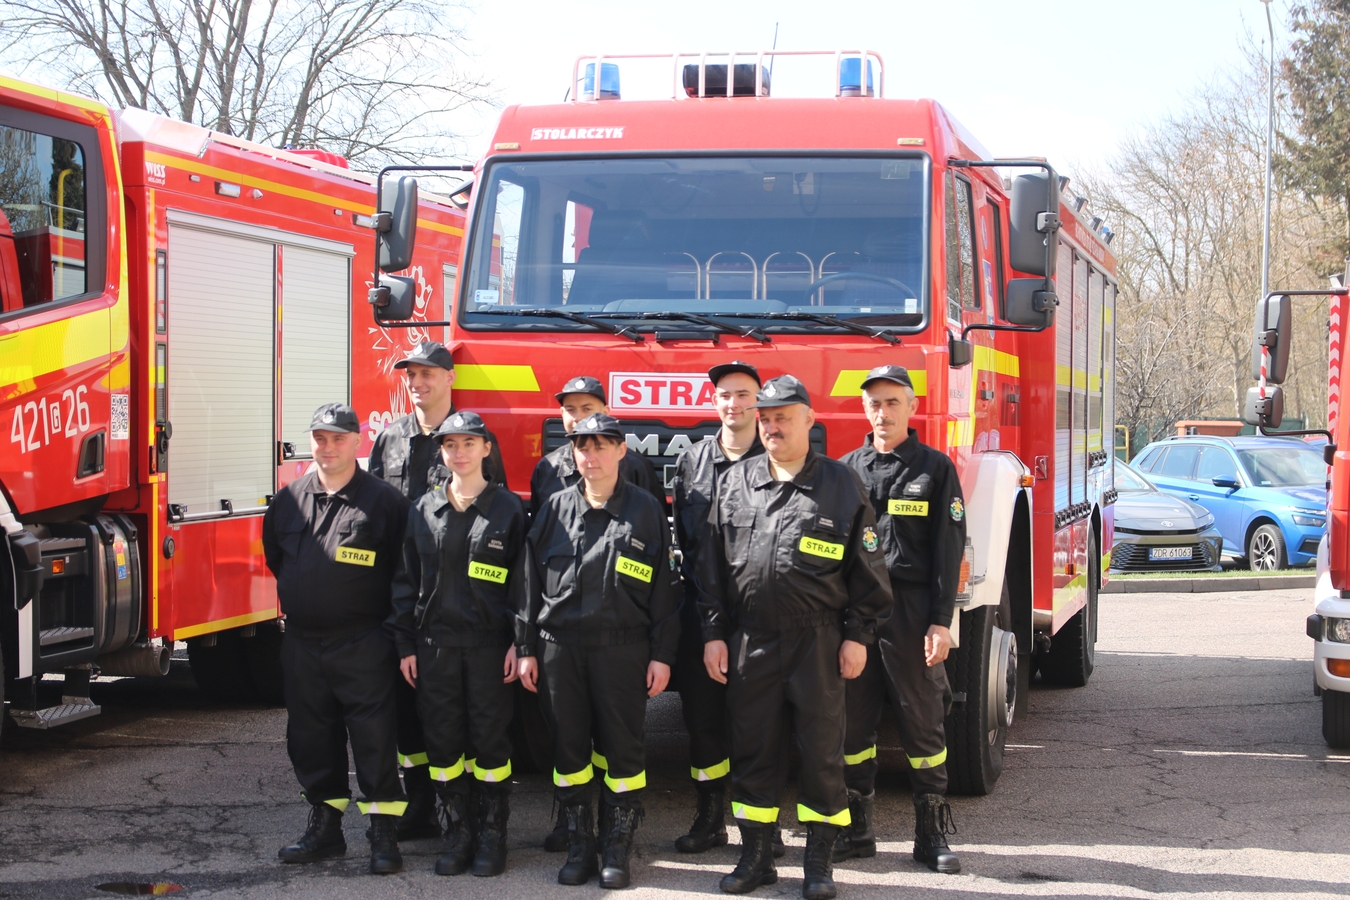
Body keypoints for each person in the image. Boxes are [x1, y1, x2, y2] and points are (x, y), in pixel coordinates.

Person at [695, 375, 893, 900]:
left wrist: (858, 636)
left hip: (818, 642)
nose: (772, 426)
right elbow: (710, 569)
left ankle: (819, 864)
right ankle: (756, 857)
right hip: (750, 640)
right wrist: (713, 633)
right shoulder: (735, 482)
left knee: (822, 753)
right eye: (765, 418)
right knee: (753, 750)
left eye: (783, 416)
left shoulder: (841, 484)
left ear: (809, 419)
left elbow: (869, 571)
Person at [517, 413, 681, 889]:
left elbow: (665, 589)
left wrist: (662, 655)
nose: (591, 456)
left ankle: (616, 845)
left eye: (601, 446)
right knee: (568, 749)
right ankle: (579, 844)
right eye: (582, 447)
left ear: (621, 450)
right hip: (559, 651)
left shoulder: (646, 510)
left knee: (623, 751)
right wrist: (526, 647)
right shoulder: (553, 509)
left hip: (622, 650)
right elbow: (528, 583)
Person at [368, 339, 508, 841]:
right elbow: (373, 512)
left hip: (461, 608)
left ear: (450, 378)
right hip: (404, 596)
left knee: (461, 715)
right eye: (411, 374)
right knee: (407, 709)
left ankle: (465, 816)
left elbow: (498, 517)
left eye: (428, 373)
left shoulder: (472, 438)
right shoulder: (390, 438)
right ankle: (420, 805)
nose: (417, 382)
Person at [264, 402, 410, 875]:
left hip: (363, 641)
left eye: (338, 438)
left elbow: (405, 573)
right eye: (320, 438)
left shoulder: (384, 502)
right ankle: (325, 829)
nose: (328, 447)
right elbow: (276, 558)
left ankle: (384, 833)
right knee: (310, 737)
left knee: (374, 738)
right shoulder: (288, 500)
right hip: (303, 643)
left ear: (356, 441)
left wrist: (395, 636)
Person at [837, 365, 965, 874]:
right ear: (864, 409)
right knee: (852, 723)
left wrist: (941, 621)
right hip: (856, 616)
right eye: (875, 403)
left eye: (893, 402)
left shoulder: (935, 469)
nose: (883, 412)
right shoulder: (844, 471)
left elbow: (948, 550)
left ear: (912, 407)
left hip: (912, 613)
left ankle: (930, 835)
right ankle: (857, 830)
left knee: (922, 723)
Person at [389, 411, 529, 878]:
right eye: (450, 445)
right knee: (443, 742)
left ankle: (492, 836)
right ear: (442, 453)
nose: (460, 452)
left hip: (490, 646)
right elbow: (406, 581)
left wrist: (518, 641)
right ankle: (459, 834)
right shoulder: (424, 510)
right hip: (435, 646)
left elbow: (523, 584)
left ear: (486, 449)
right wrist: (406, 645)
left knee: (490, 741)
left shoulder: (509, 509)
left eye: (469, 443)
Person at [669, 361, 766, 855]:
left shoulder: (775, 460)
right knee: (702, 719)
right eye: (726, 395)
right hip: (699, 610)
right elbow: (684, 540)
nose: (735, 404)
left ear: (758, 401)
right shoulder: (692, 461)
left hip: (756, 614)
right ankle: (709, 817)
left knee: (757, 722)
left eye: (744, 394)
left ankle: (761, 826)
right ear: (713, 402)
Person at [529, 375, 668, 520]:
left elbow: (654, 525)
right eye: (570, 409)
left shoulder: (636, 467)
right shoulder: (547, 468)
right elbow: (539, 528)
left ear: (605, 412)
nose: (578, 417)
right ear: (562, 413)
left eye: (587, 409)